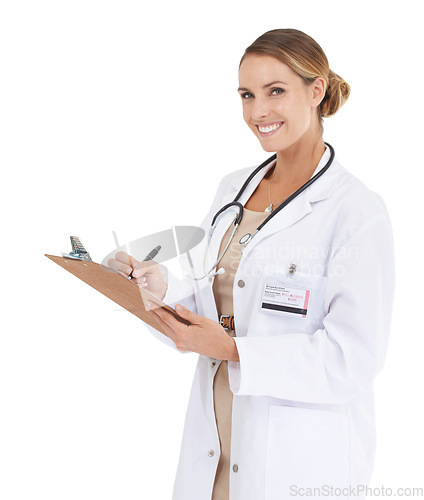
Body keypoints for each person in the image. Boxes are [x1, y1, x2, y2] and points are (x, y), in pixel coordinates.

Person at [108, 29, 395, 500]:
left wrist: (236, 351)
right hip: (217, 445)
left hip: (294, 461)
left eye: (275, 91)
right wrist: (157, 286)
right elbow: (213, 298)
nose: (257, 111)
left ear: (316, 90)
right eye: (247, 95)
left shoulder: (357, 211)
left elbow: (354, 359)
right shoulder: (233, 190)